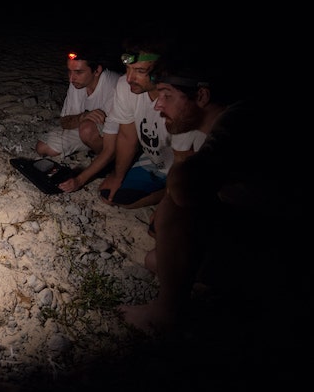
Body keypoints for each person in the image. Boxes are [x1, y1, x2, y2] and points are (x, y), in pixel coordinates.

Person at [117, 54, 292, 334]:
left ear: (201, 95)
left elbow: (187, 187)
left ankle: (165, 315)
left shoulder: (240, 120)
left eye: (166, 95)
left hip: (281, 249)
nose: (158, 104)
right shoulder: (225, 122)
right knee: (157, 260)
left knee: (176, 205)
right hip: (253, 233)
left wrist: (180, 170)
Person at [58, 36, 205, 209]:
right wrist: (106, 177)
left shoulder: (180, 100)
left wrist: (168, 202)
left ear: (161, 71)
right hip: (155, 159)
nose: (129, 78)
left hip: (187, 166)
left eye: (140, 71)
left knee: (179, 198)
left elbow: (183, 159)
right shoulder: (125, 87)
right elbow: (127, 138)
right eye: (128, 69)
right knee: (109, 194)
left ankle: (173, 194)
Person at [35, 47, 121, 159]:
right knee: (42, 148)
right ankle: (91, 147)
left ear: (97, 70)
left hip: (116, 137)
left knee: (87, 129)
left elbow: (125, 133)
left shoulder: (115, 86)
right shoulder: (77, 83)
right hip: (88, 132)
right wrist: (83, 117)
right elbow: (65, 122)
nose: (71, 79)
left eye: (78, 72)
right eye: (69, 71)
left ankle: (109, 160)